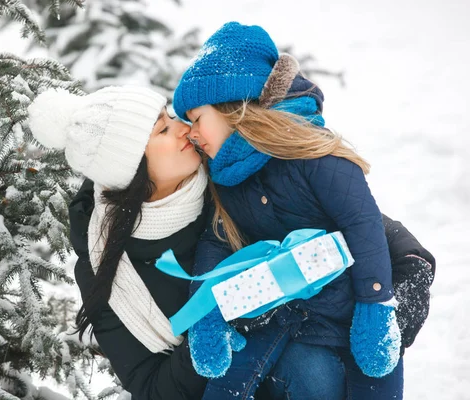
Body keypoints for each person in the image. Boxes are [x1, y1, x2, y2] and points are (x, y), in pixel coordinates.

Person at [26, 84, 435, 400]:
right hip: (247, 384)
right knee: (306, 365)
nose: (185, 129)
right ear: (134, 169)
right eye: (165, 129)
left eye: (174, 117)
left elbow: (366, 228)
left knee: (320, 365)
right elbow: (150, 388)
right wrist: (229, 313)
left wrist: (398, 292)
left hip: (330, 354)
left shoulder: (231, 178)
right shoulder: (108, 269)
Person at [172, 22, 435, 400]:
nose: (192, 134)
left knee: (371, 375)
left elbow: (363, 226)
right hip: (290, 324)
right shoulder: (227, 179)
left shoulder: (315, 156)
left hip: (349, 321)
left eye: (197, 119)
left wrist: (375, 307)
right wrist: (205, 316)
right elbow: (218, 241)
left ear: (234, 108)